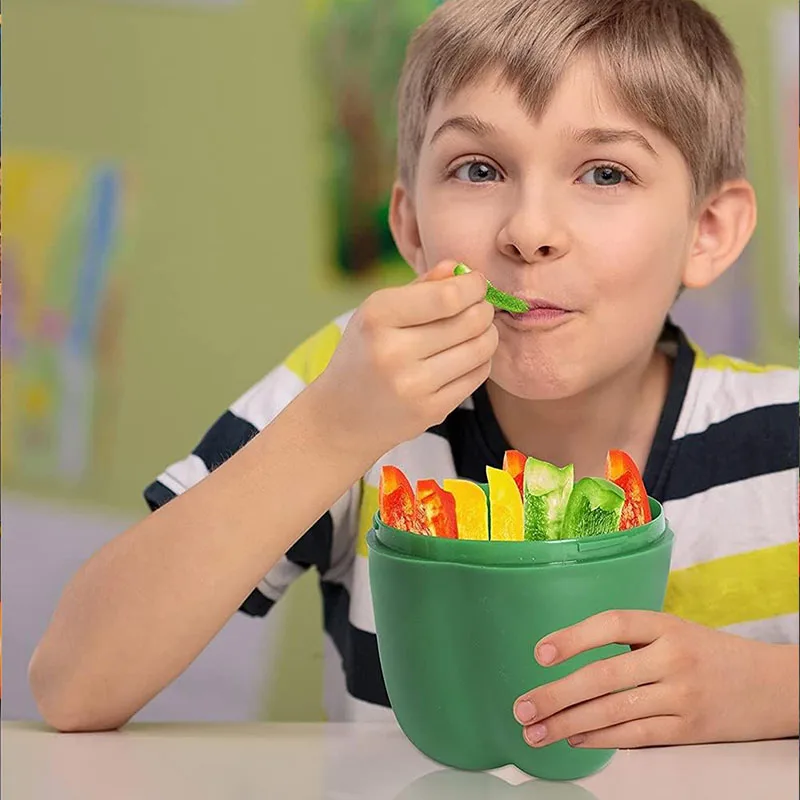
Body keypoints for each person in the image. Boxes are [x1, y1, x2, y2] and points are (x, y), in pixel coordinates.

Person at [30, 0, 799, 749]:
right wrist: (331, 431)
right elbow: (73, 684)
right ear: (410, 225)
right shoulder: (347, 391)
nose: (529, 232)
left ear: (708, 230)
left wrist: (769, 689)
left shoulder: (784, 438)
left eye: (604, 174)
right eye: (478, 168)